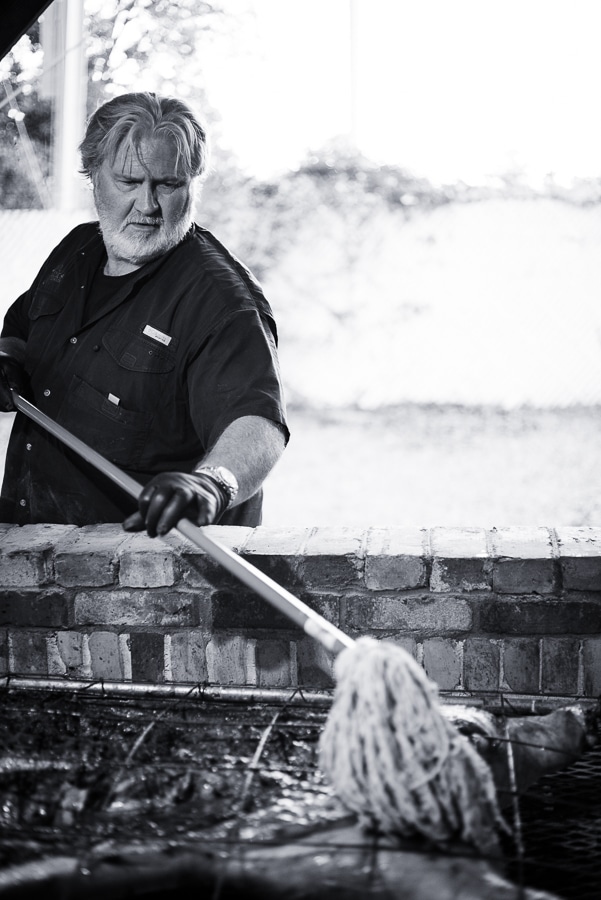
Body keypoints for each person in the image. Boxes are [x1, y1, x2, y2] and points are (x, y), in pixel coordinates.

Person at [0, 92, 288, 536]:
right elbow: (21, 330)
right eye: (129, 182)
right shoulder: (76, 251)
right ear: (93, 177)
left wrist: (212, 485)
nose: (148, 206)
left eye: (168, 185)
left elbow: (257, 422)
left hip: (146, 576)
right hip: (37, 541)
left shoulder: (220, 302)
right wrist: (7, 361)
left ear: (193, 184)